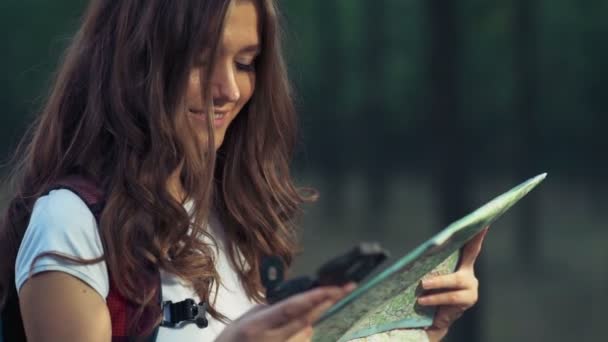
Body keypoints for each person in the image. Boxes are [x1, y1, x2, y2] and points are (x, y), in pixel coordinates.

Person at [0, 0, 484, 341]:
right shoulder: (70, 225)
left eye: (246, 63)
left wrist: (414, 327)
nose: (229, 89)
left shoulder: (234, 216)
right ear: (136, 62)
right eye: (200, 62)